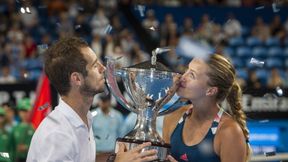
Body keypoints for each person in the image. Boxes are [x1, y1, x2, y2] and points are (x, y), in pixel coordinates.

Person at [27, 37, 157, 162]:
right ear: (77, 79)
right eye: (95, 65)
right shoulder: (57, 135)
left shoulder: (82, 119)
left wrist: (116, 157)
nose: (103, 68)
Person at [163, 54, 251, 162]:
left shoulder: (229, 131)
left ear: (210, 91)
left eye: (192, 75)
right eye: (187, 70)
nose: (182, 77)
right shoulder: (173, 116)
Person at [10, 98, 34, 162]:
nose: (24, 113)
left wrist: (26, 147)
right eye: (22, 110)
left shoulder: (35, 127)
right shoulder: (15, 128)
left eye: (26, 110)